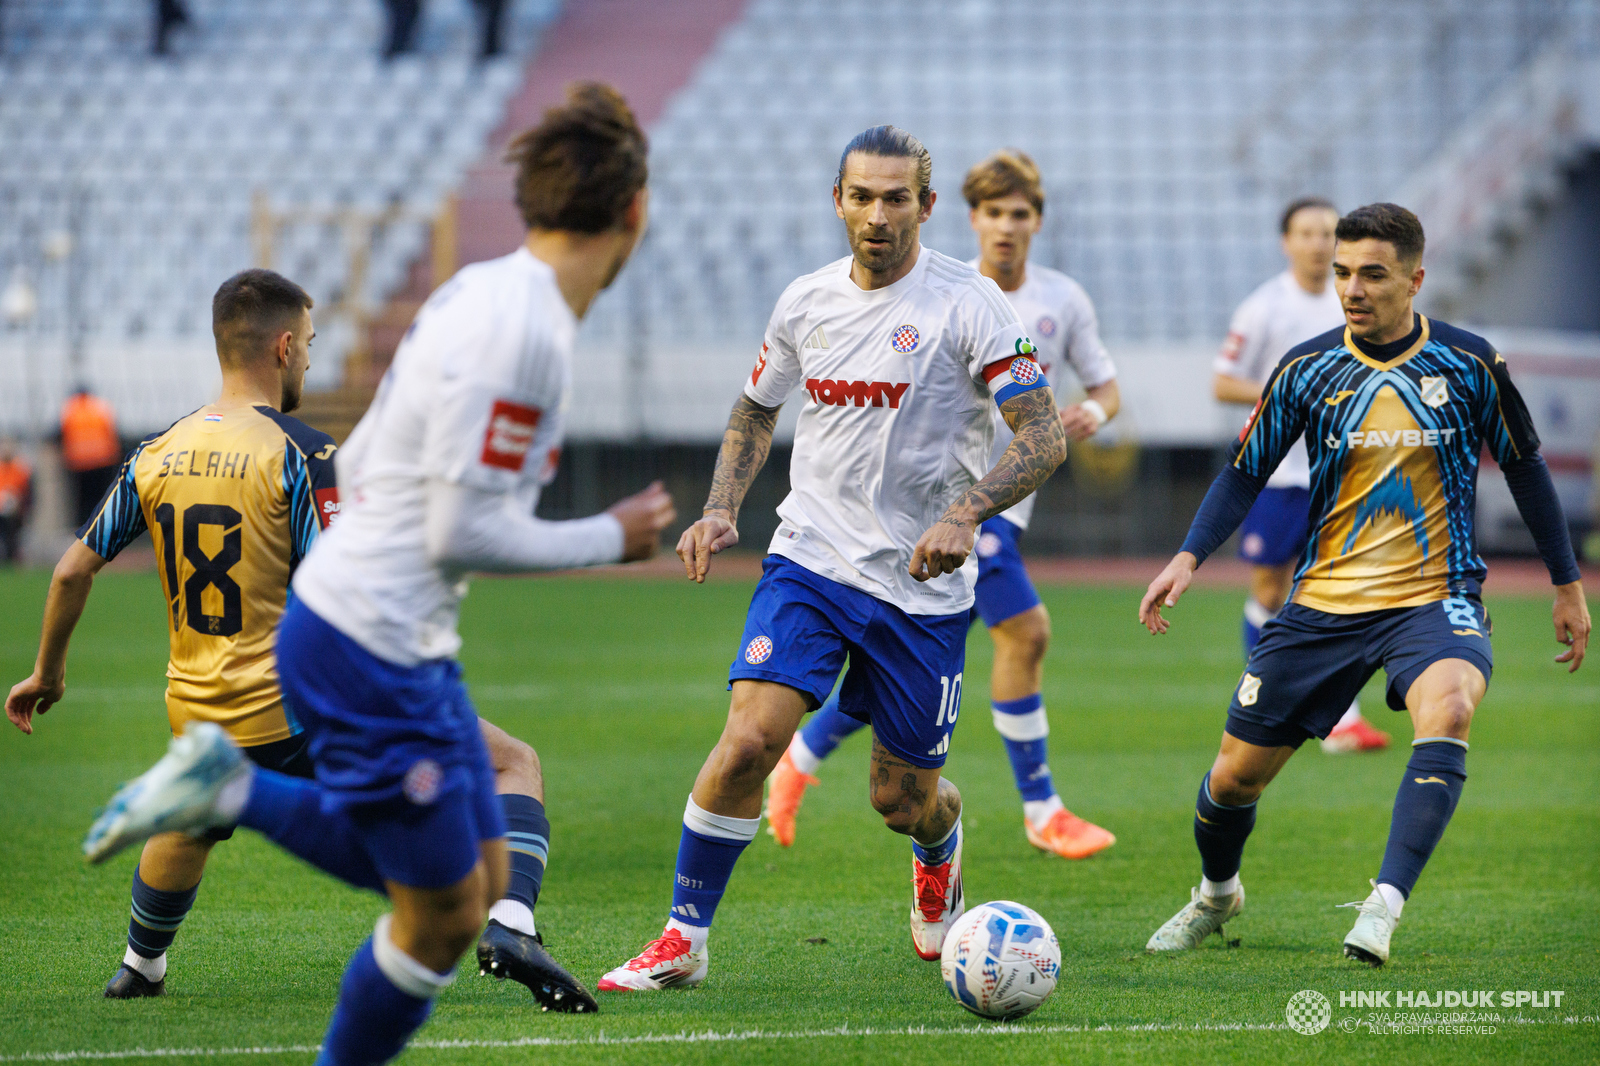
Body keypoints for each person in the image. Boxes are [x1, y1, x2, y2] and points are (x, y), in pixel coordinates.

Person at [79, 83, 675, 1065]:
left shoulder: (478, 289)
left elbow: (384, 479)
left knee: (470, 899)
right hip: (367, 641)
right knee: (434, 902)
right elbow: (462, 529)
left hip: (398, 631)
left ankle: (229, 793)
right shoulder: (528, 336)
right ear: (634, 211)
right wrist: (610, 536)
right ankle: (225, 789)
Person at [598, 126, 1067, 992]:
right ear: (839, 201)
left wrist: (967, 511)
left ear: (927, 207)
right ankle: (683, 939)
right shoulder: (805, 301)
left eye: (897, 198)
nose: (878, 215)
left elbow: (1043, 434)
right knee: (748, 743)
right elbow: (753, 411)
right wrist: (717, 510)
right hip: (810, 560)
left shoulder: (972, 304)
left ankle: (940, 845)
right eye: (862, 196)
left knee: (902, 802)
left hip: (923, 588)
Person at [1139, 203, 1589, 966]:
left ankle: (1382, 907)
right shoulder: (1307, 369)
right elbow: (1245, 472)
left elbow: (1525, 467)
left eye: (1372, 274)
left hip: (1434, 596)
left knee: (1448, 708)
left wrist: (1567, 584)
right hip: (1323, 605)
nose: (1352, 287)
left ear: (1415, 279)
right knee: (1232, 782)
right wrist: (1188, 557)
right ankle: (1217, 895)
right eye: (1344, 272)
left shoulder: (1471, 362)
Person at [768, 149, 1117, 860]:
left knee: (904, 669)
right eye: (993, 213)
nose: (1006, 227)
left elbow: (1103, 388)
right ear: (971, 219)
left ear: (1037, 222)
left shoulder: (1061, 300)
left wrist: (1095, 416)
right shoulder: (943, 293)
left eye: (1020, 214)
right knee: (1025, 634)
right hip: (936, 518)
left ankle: (799, 762)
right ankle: (1042, 808)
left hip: (1000, 505)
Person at [7, 270, 335, 998]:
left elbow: (68, 573)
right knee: (467, 770)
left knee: (191, 821)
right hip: (290, 711)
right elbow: (339, 590)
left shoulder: (158, 451)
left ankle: (140, 965)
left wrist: (47, 674)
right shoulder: (300, 452)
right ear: (283, 348)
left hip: (196, 706)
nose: (312, 358)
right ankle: (498, 919)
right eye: (310, 344)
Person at [1216, 197, 1390, 754]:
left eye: (1327, 233)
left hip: (1342, 474)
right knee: (1270, 589)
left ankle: (1343, 719)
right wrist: (1289, 391)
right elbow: (1223, 383)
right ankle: (1262, 692)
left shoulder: (1355, 304)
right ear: (1286, 241)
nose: (1318, 242)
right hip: (1279, 475)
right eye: (1306, 232)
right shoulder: (1264, 307)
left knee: (1342, 588)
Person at [59, 386, 122, 528]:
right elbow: (111, 430)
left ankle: (83, 532)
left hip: (79, 462)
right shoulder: (101, 407)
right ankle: (102, 529)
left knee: (81, 501)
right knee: (101, 498)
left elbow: (62, 434)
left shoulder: (70, 408)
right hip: (102, 460)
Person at [0, 437, 32, 565]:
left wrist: (23, 507)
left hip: (15, 511)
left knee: (13, 537)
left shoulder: (20, 470)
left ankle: (12, 559)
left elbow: (27, 492)